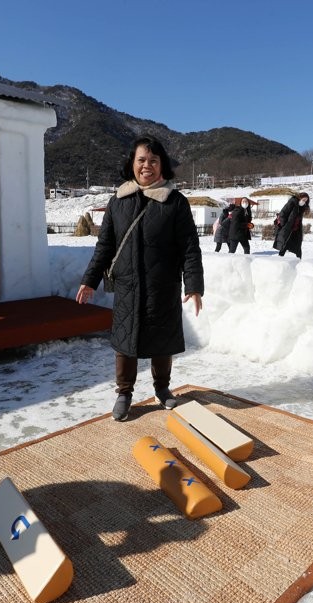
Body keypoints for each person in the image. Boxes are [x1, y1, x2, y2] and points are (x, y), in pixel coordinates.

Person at [76, 136, 204, 422]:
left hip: (163, 285)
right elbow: (105, 246)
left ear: (162, 166)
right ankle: (124, 393)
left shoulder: (175, 202)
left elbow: (189, 248)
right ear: (132, 164)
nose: (147, 166)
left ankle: (162, 389)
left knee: (163, 340)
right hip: (128, 285)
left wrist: (193, 285)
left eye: (154, 160)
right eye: (141, 160)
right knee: (125, 341)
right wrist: (90, 280)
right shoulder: (118, 201)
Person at [272, 192, 310, 258]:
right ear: (300, 198)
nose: (304, 202)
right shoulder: (292, 202)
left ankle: (298, 261)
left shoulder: (301, 207)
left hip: (296, 230)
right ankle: (279, 260)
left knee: (297, 246)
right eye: (304, 200)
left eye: (306, 201)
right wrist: (285, 225)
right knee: (284, 245)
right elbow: (283, 213)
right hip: (288, 228)